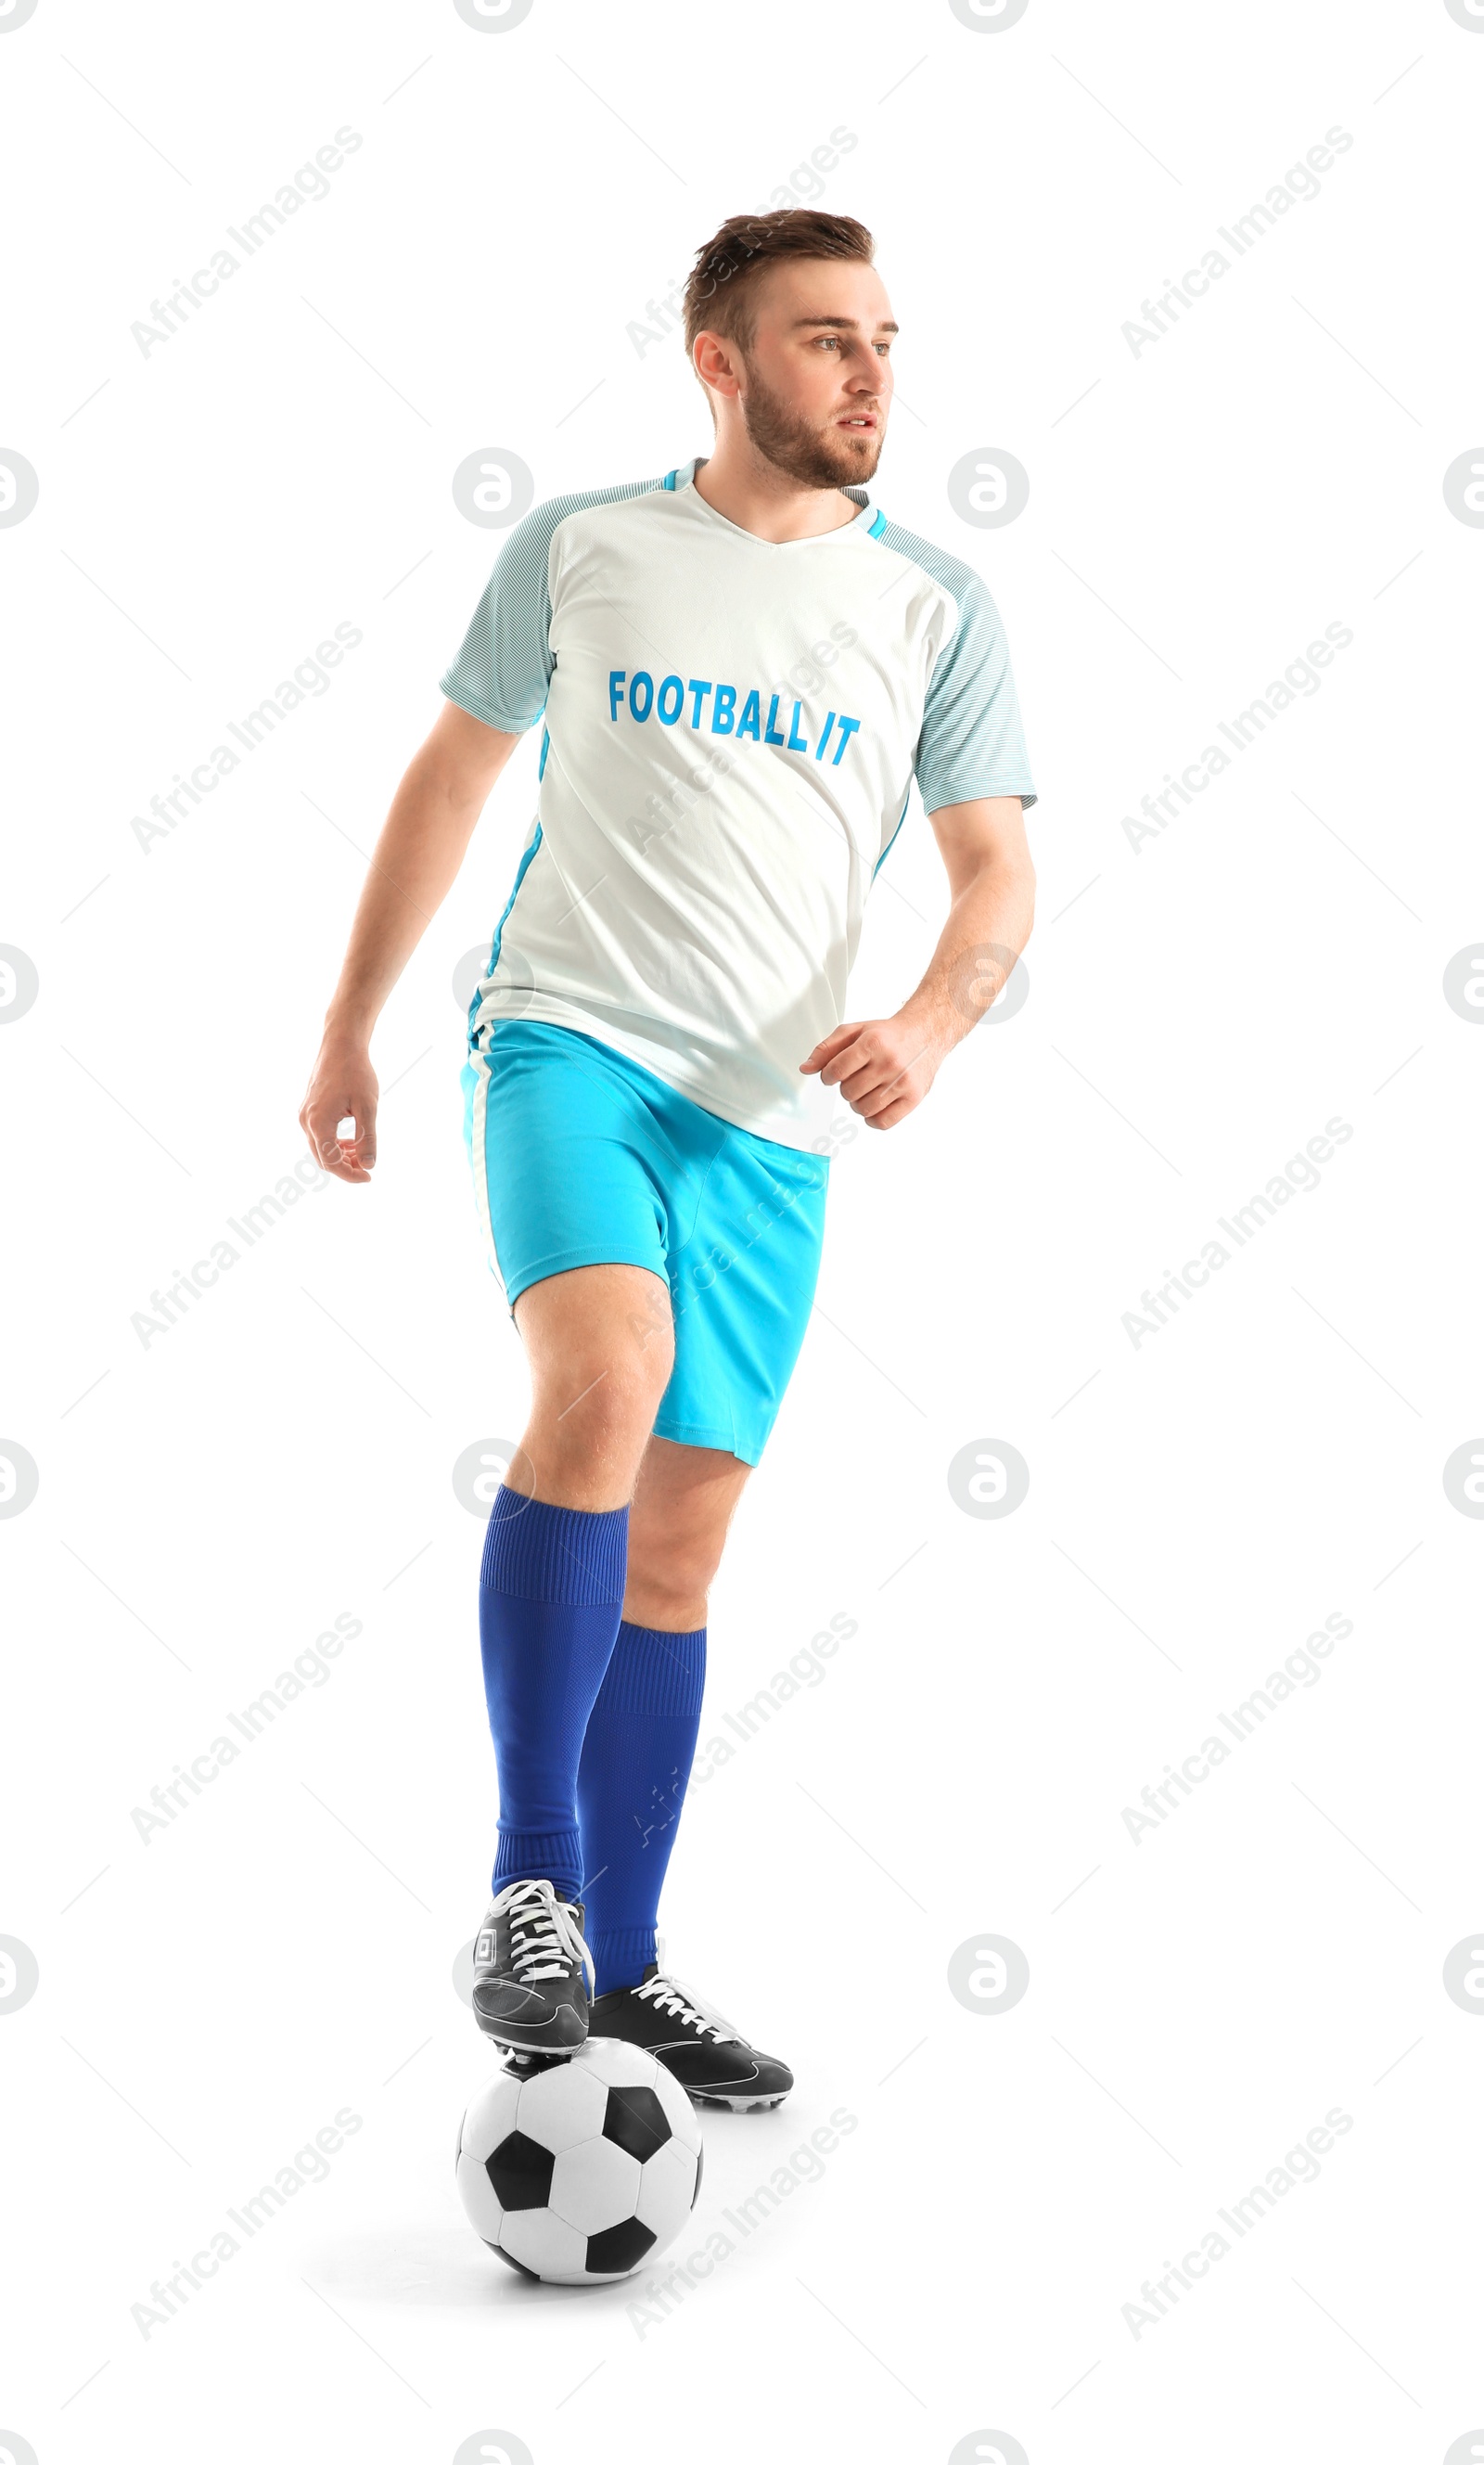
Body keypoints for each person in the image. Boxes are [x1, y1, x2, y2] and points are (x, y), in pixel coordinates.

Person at [299, 207, 1038, 2111]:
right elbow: (452, 778)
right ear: (717, 361)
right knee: (601, 1377)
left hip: (769, 1117)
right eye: (821, 341)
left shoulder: (935, 605)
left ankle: (619, 1971)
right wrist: (348, 1025)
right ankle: (528, 1888)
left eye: (882, 339)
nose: (869, 375)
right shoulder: (584, 548)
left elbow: (994, 874)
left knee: (686, 1539)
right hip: (567, 1043)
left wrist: (932, 1024)